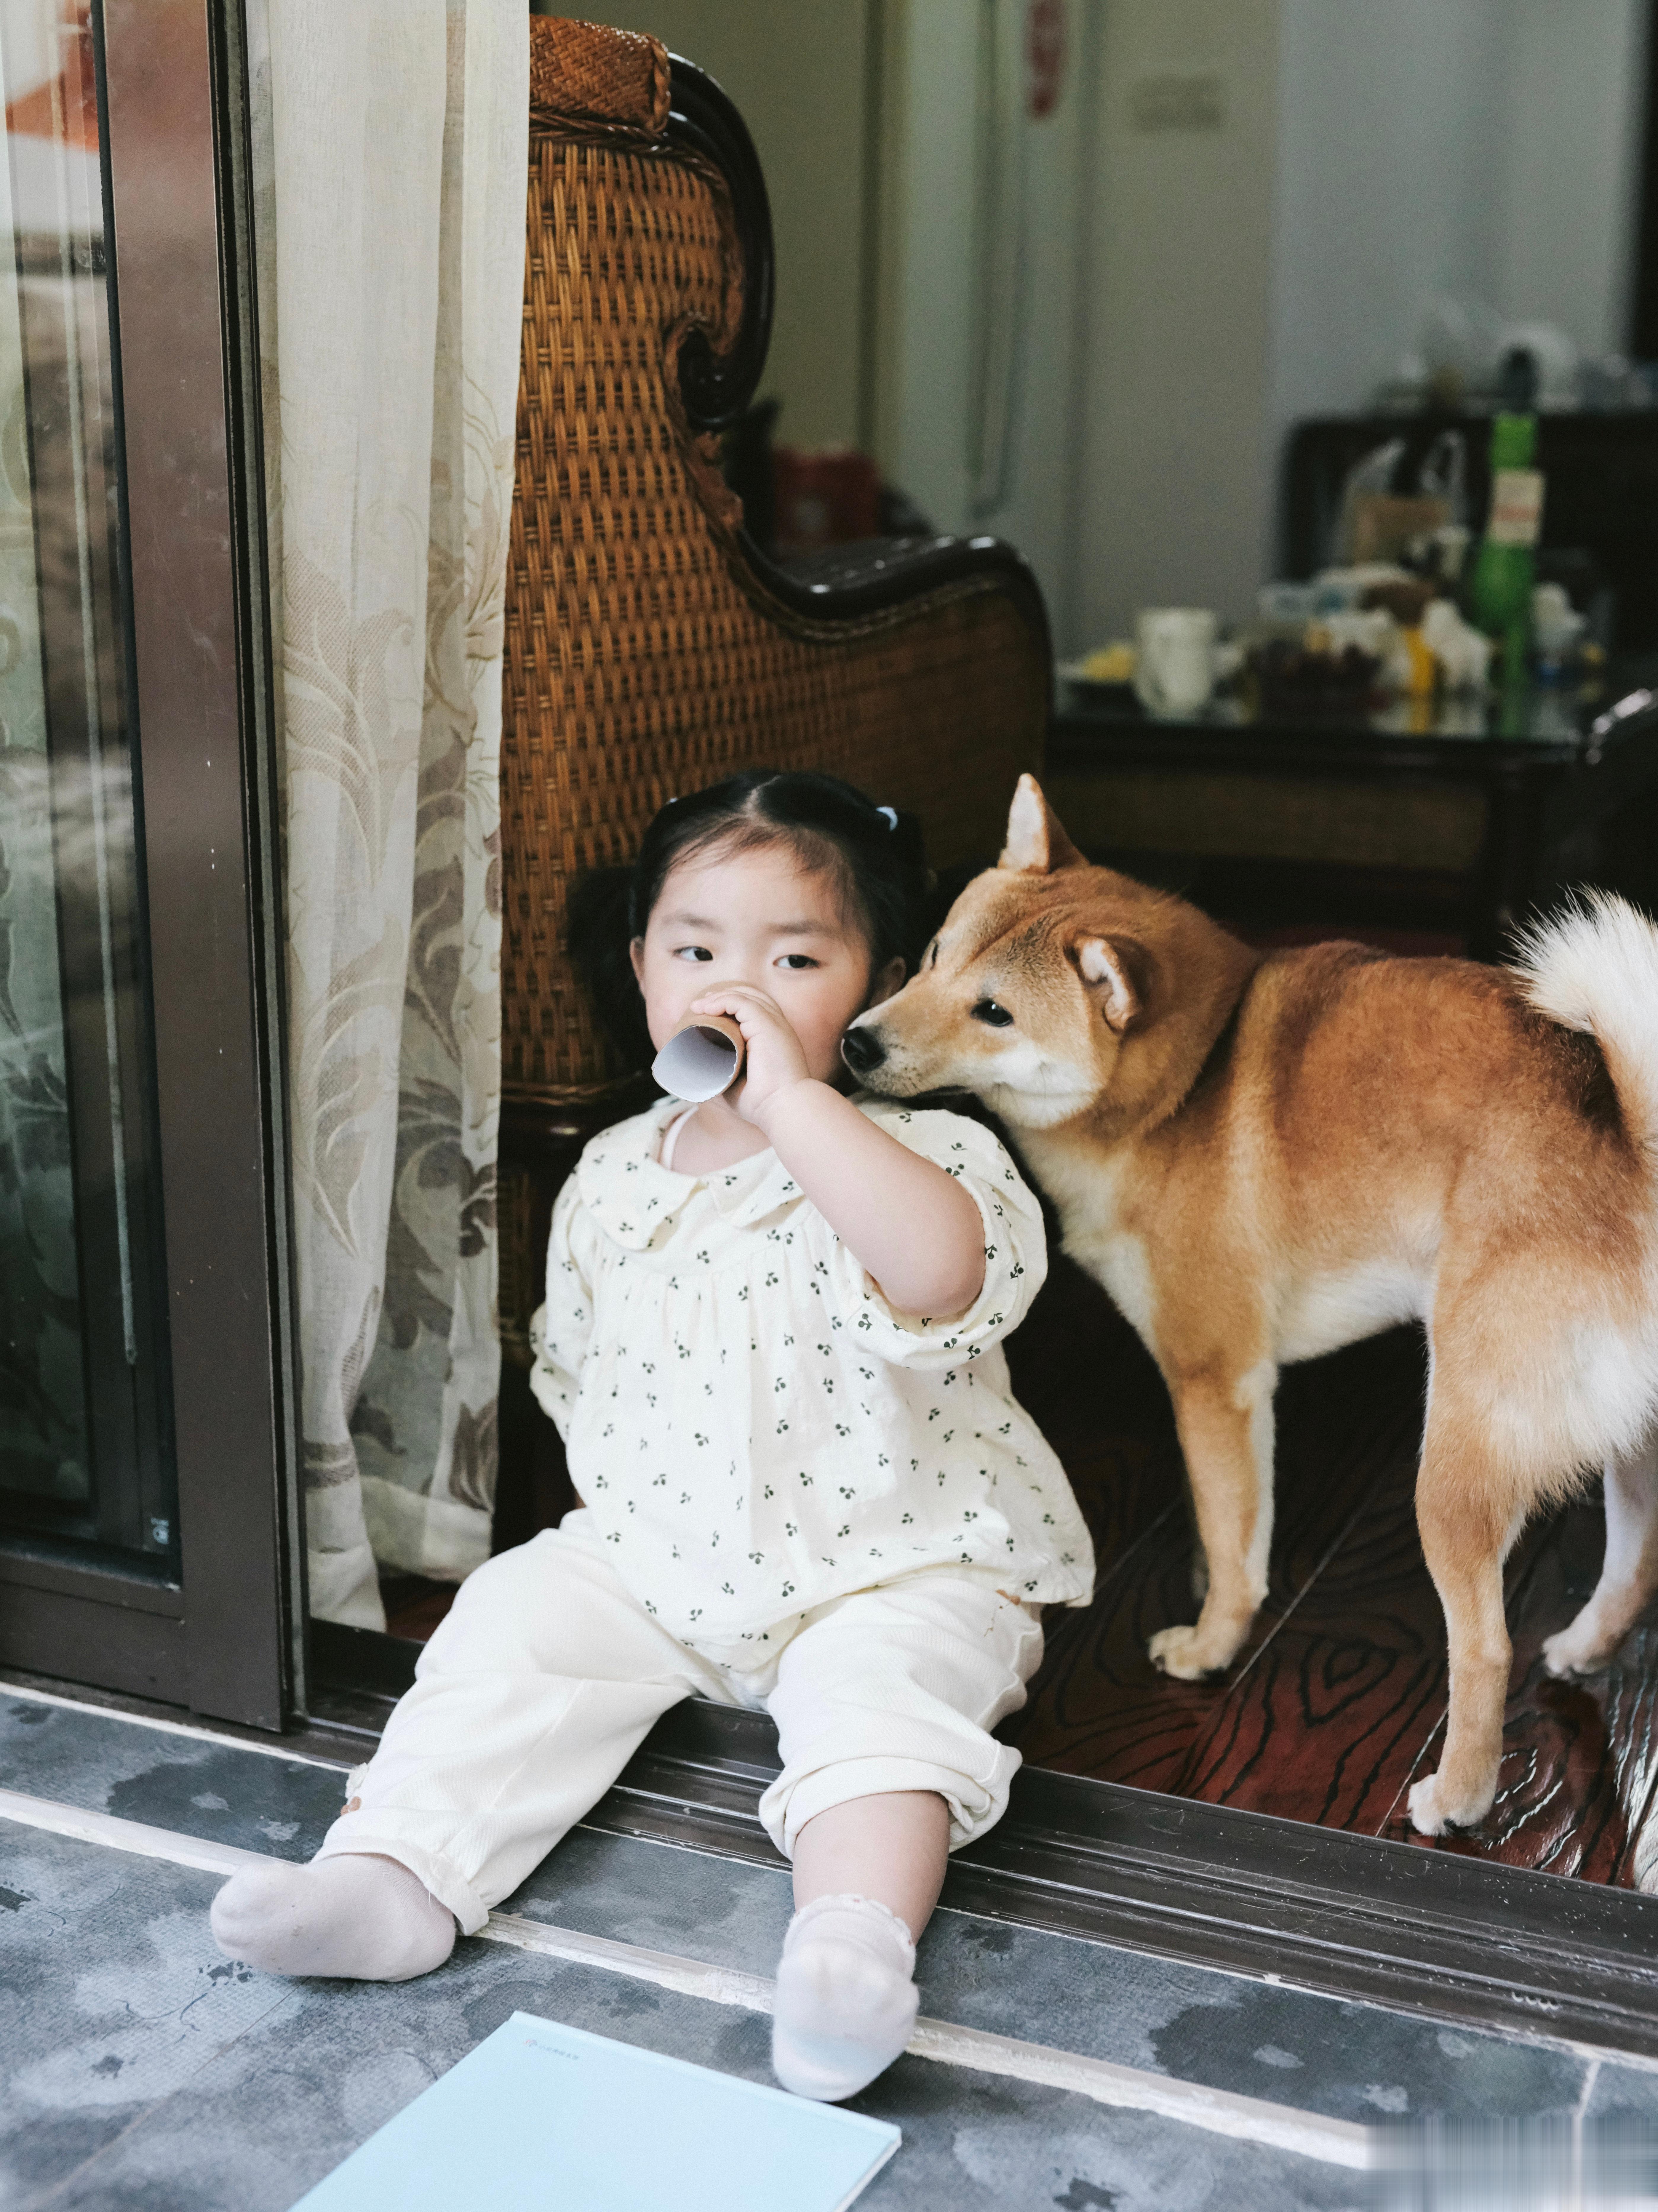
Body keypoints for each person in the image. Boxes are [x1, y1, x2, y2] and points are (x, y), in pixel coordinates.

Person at [211, 769, 1094, 2102]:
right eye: (696, 951)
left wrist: (798, 1105)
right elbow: (583, 1362)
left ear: (877, 978)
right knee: (508, 1623)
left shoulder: (922, 1154)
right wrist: (630, 1536)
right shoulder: (617, 1165)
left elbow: (935, 1276)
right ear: (642, 970)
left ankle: (848, 1949)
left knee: (887, 1708)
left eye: (794, 957)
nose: (735, 987)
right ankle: (392, 1875)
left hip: (893, 1551)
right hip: (664, 1548)